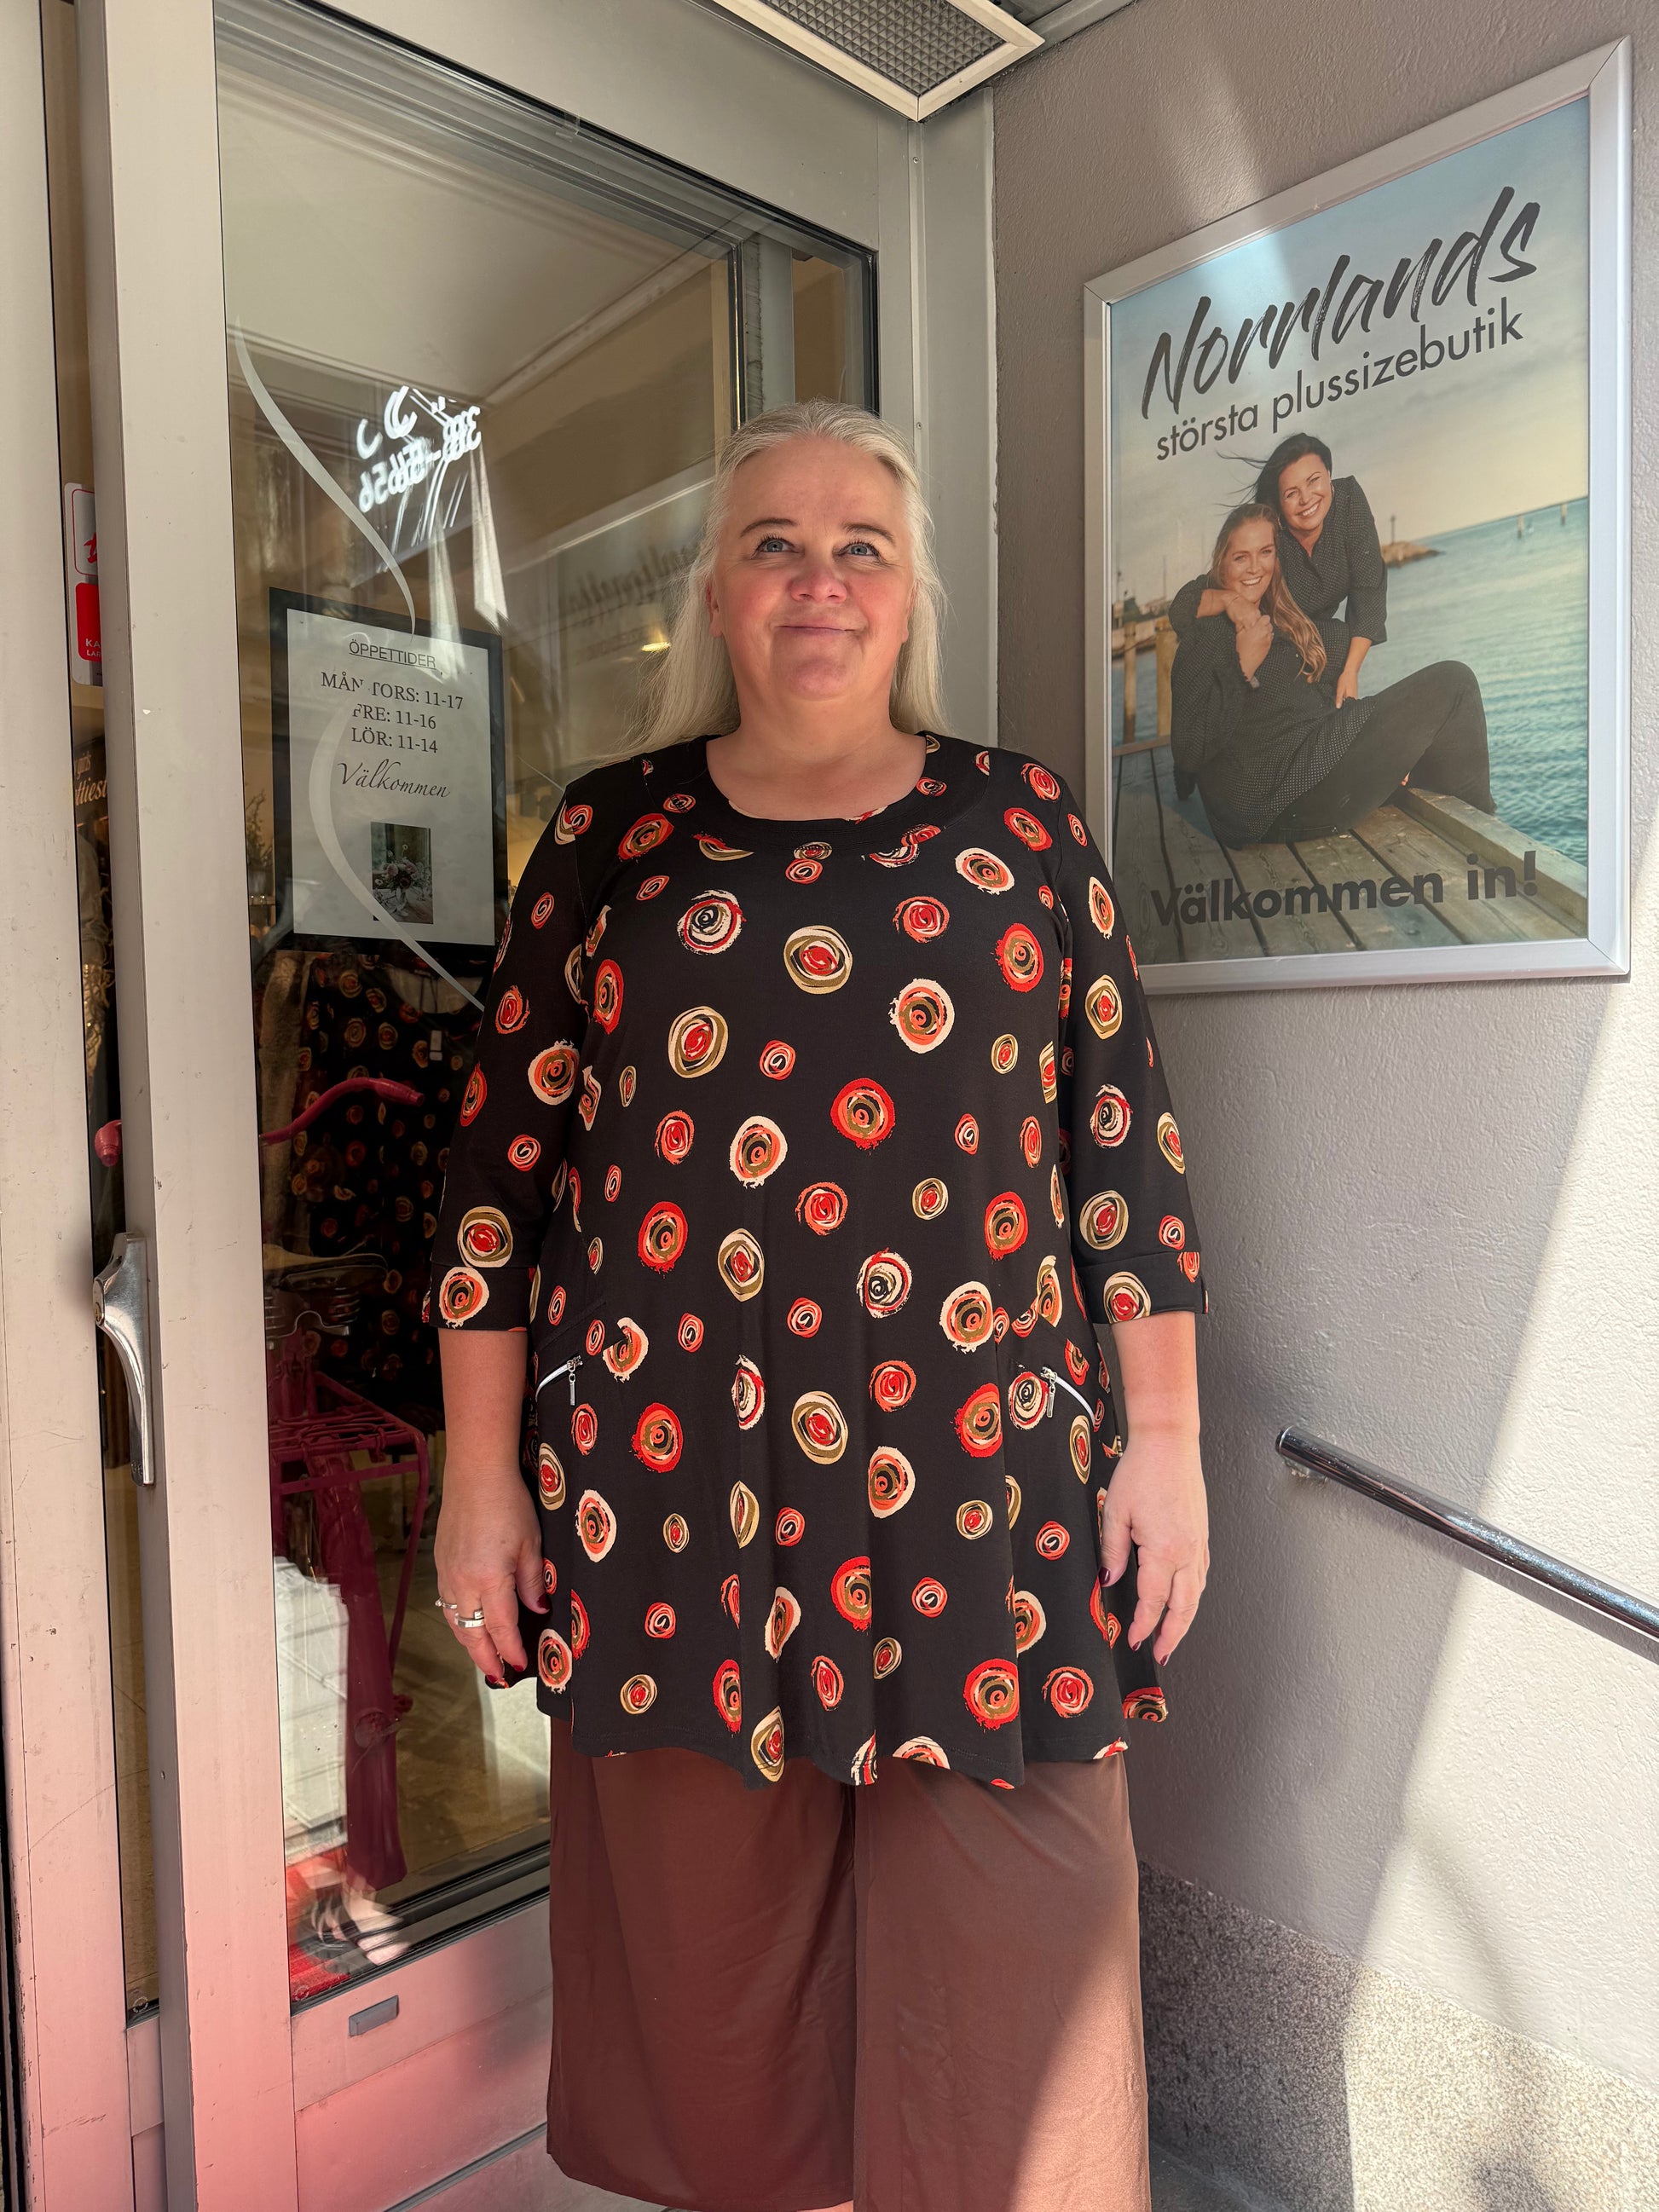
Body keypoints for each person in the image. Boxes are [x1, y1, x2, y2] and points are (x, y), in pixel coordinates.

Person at [426, 398, 1210, 2212]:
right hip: (676, 1484)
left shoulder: (1021, 820)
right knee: (718, 1990)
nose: (819, 579)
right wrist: (481, 1480)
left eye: (861, 545)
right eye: (774, 543)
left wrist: (1163, 1440)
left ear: (909, 592)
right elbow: (493, 1187)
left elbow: (1125, 1152)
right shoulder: (609, 838)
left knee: (1015, 1974)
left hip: (985, 1479)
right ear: (714, 591)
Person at [1170, 502, 1494, 849]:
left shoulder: (1277, 613)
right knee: (1455, 683)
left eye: (1265, 552)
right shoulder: (1207, 636)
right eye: (1240, 557)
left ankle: (1457, 830)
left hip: (1318, 761)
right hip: (1277, 803)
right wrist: (1242, 667)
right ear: (1221, 563)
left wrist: (1393, 746)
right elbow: (1188, 751)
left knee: (1432, 731)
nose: (1254, 567)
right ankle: (1482, 837)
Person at [1169, 433, 1387, 705]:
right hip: (1264, 649)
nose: (1306, 499)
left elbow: (1369, 592)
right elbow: (1181, 608)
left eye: (1314, 481)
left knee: (1340, 642)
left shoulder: (1349, 501)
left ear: (1329, 474)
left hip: (1308, 640)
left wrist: (1351, 672)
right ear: (1280, 503)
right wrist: (1230, 602)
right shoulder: (1269, 533)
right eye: (1291, 493)